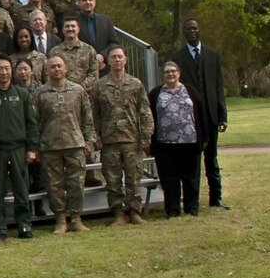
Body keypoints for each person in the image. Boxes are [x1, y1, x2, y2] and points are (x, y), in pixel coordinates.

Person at [0, 55, 40, 241]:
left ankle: (24, 226)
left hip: (18, 149)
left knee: (21, 189)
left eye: (7, 68)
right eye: (0, 68)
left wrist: (32, 148)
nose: (4, 72)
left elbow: (31, 123)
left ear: (11, 70)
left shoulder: (22, 95)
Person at [90, 45, 152, 224]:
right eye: (113, 57)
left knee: (134, 177)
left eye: (120, 57)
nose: (117, 60)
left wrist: (146, 135)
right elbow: (93, 114)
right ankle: (118, 213)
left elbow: (145, 111)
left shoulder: (135, 84)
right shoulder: (99, 86)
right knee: (112, 179)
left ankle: (134, 211)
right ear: (108, 61)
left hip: (132, 139)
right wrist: (96, 137)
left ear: (126, 60)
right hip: (109, 141)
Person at [34, 54, 95, 234]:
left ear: (66, 68)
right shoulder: (40, 93)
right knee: (54, 185)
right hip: (50, 146)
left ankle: (76, 218)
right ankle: (60, 219)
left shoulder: (78, 90)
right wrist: (36, 146)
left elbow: (87, 118)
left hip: (75, 143)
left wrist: (89, 141)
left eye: (60, 66)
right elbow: (35, 122)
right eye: (52, 66)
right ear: (46, 70)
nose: (57, 69)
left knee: (76, 183)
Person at [173, 19, 229, 210]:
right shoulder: (178, 58)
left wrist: (222, 115)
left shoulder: (212, 55)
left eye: (195, 28)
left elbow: (218, 86)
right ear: (184, 33)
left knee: (212, 159)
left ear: (200, 30)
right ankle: (192, 203)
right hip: (190, 118)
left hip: (211, 117)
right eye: (189, 29)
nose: (192, 31)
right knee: (193, 163)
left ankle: (216, 198)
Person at [150, 60, 203, 217]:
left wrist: (204, 137)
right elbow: (150, 116)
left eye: (173, 71)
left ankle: (191, 208)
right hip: (165, 145)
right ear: (163, 75)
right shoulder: (156, 93)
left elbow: (200, 113)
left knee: (190, 178)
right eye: (167, 72)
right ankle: (172, 210)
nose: (170, 74)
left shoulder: (190, 91)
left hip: (190, 142)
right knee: (169, 179)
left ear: (179, 73)